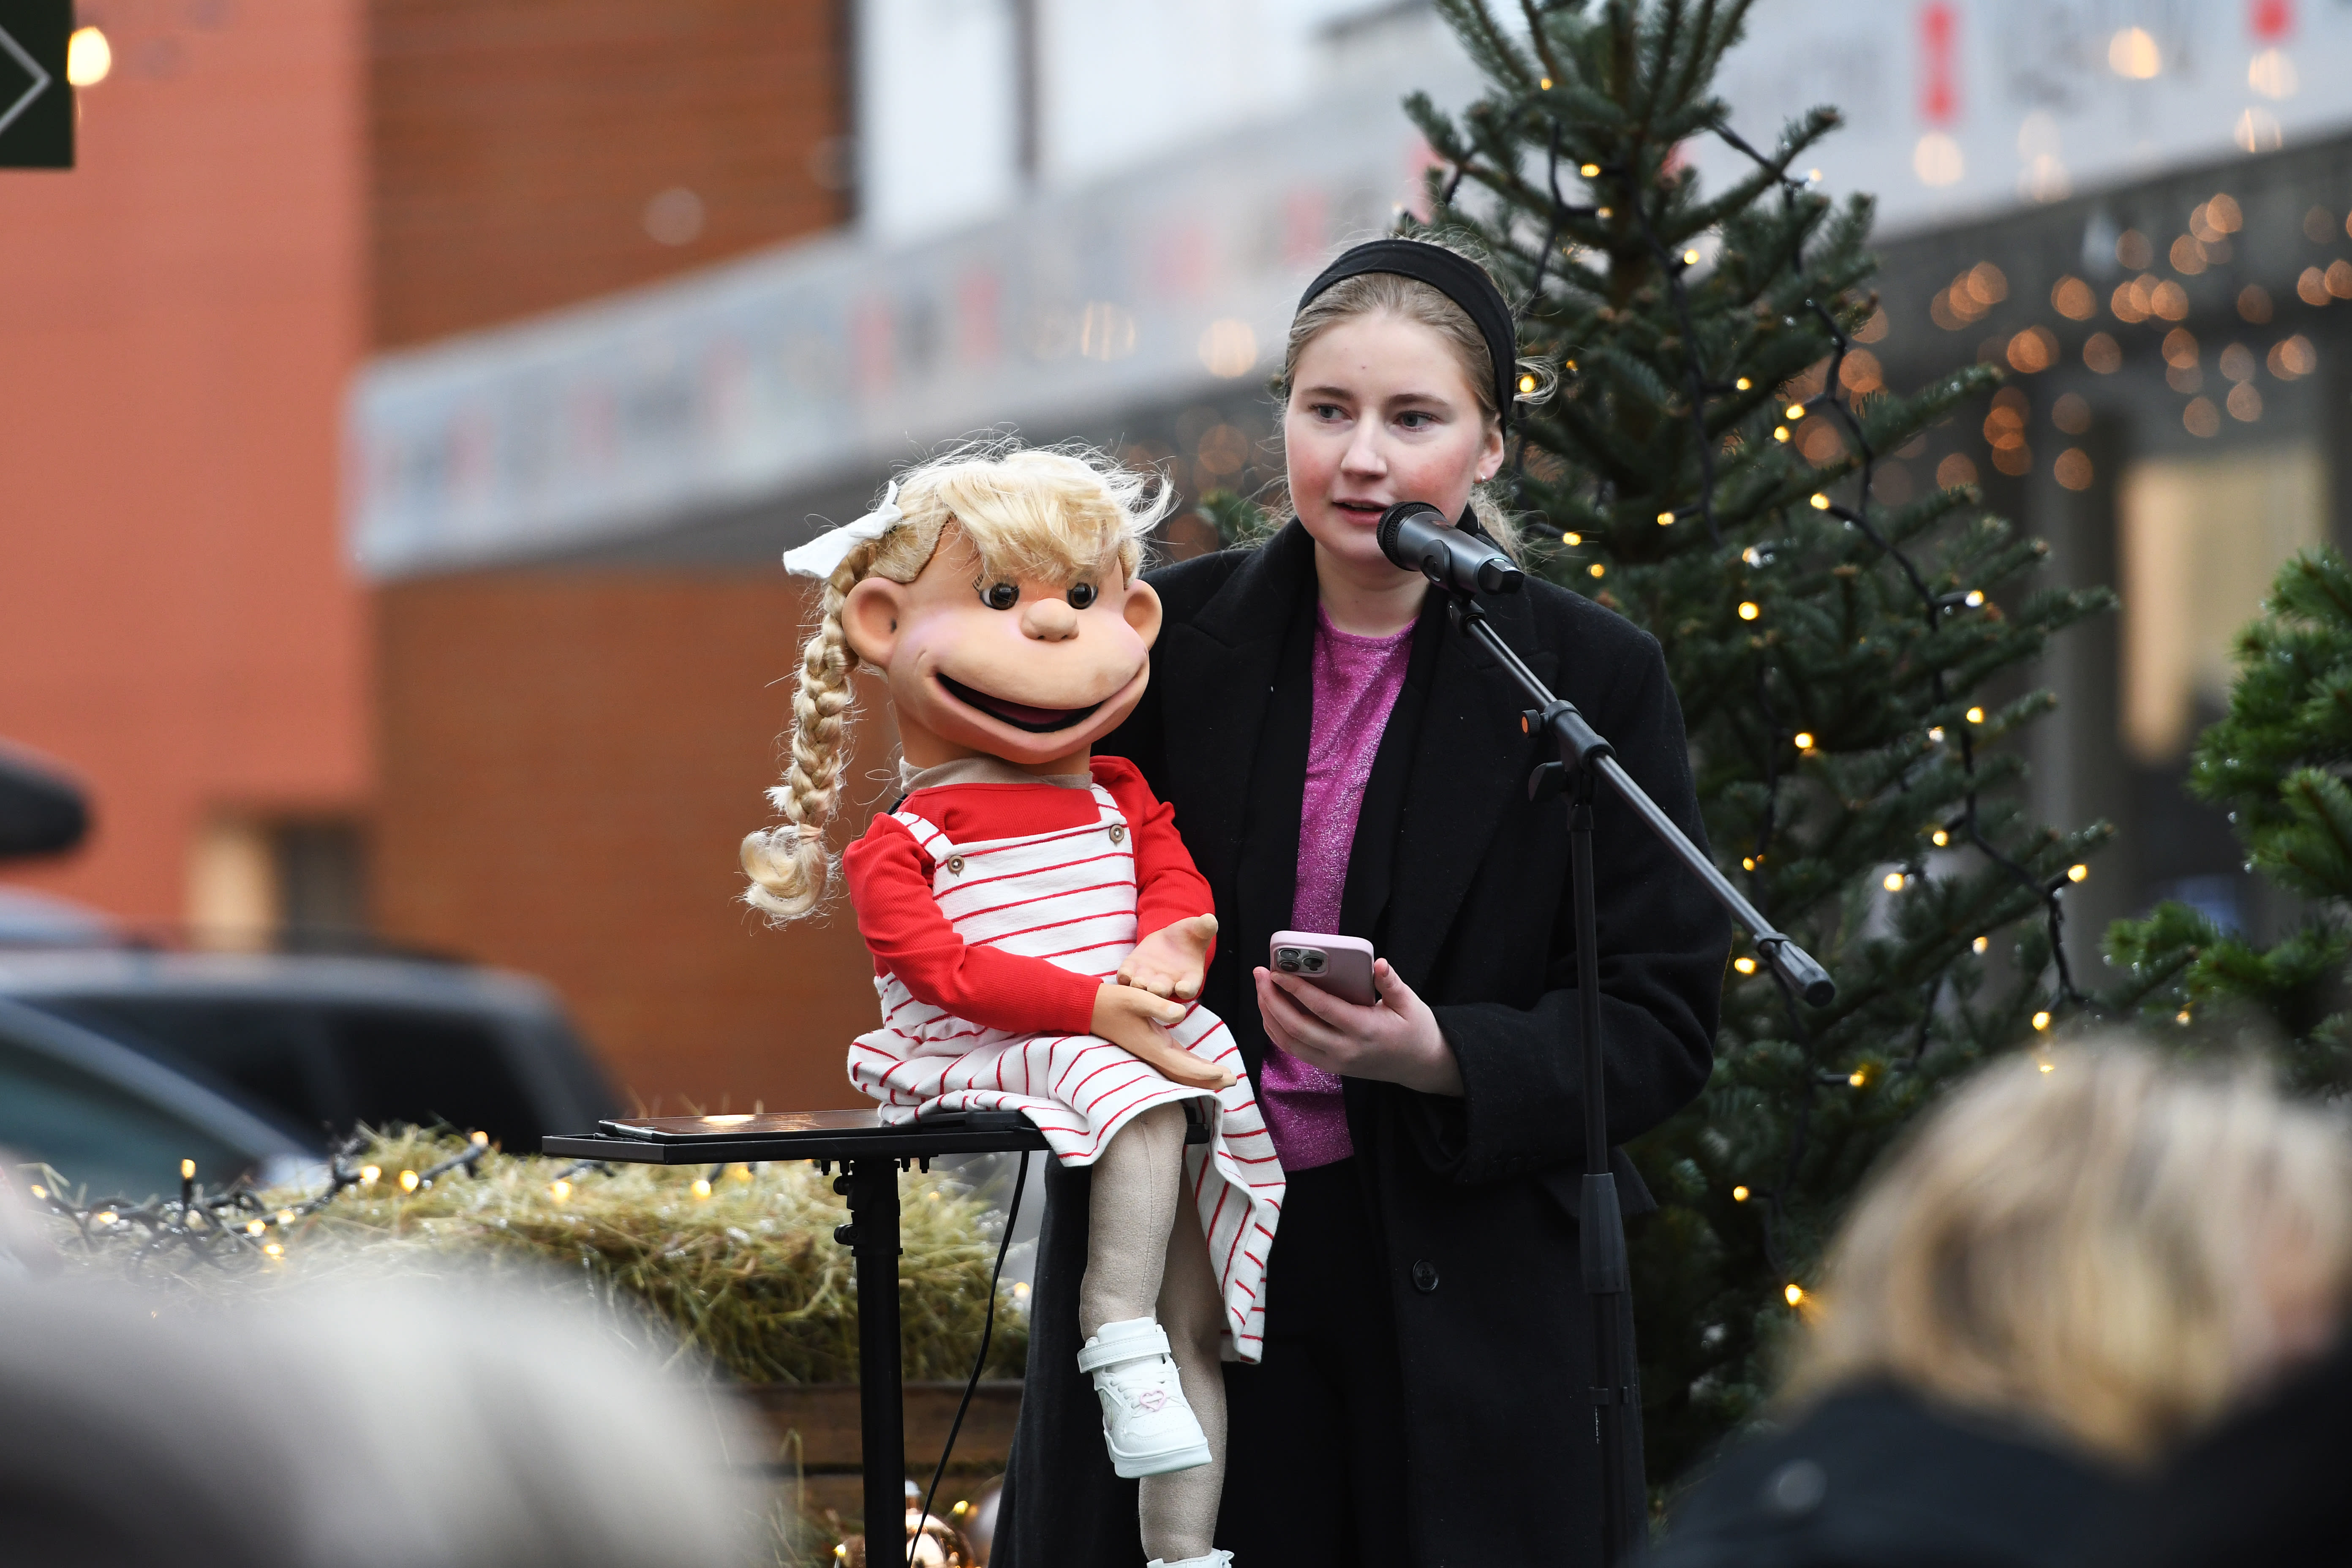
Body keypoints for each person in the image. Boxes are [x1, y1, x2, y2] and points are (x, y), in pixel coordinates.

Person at [993, 236, 1731, 1566]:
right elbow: (1037, 895)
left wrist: (1441, 1054)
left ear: (1491, 446)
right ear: (1281, 414)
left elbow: (1661, 1019)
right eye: (1326, 411)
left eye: (1414, 419)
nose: (1362, 460)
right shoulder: (1157, 645)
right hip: (1189, 1262)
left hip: (1456, 1299)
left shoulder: (1587, 678)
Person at [742, 446, 1284, 1568]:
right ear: (884, 625)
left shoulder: (1119, 792)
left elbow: (1172, 876)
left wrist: (1171, 942)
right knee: (1128, 1089)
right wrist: (1094, 1009)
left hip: (1111, 1018)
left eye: (1082, 599)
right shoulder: (906, 842)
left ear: (1133, 611)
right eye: (1001, 598)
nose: (1049, 630)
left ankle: (1187, 1543)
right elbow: (945, 976)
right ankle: (1113, 1328)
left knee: (1204, 1134)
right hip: (977, 1046)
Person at [1649, 1038, 2352, 1568]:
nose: (2316, 1368)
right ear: (2121, 1304)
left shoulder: (1748, 1510)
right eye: (2298, 1324)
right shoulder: (2081, 1537)